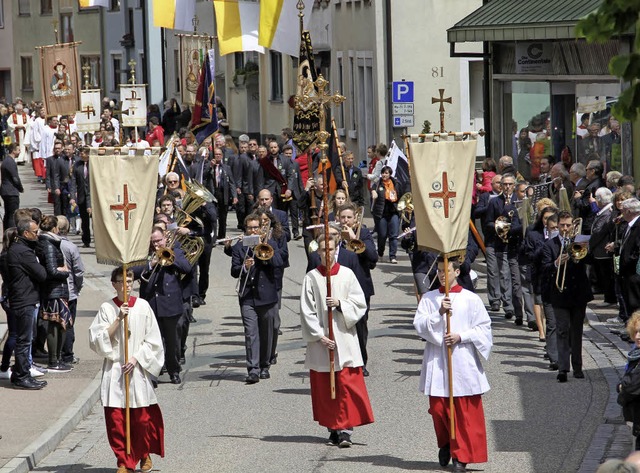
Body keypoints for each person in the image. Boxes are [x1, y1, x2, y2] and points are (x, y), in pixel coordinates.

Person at [413, 256, 492, 472]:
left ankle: (461, 456)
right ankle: (447, 442)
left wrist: (461, 336)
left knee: (463, 412)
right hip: (438, 360)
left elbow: (484, 328)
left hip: (462, 360)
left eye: (445, 270)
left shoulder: (470, 299)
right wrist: (438, 314)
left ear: (457, 272)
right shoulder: (429, 298)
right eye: (438, 270)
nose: (441, 274)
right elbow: (419, 325)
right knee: (439, 409)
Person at [89, 267, 165, 473]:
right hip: (115, 369)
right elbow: (97, 339)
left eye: (130, 281)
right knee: (116, 420)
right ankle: (123, 460)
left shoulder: (143, 306)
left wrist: (137, 357)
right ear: (114, 284)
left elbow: (154, 341)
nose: (126, 285)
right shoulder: (106, 308)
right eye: (121, 282)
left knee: (141, 418)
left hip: (136, 368)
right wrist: (118, 319)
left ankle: (143, 454)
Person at [299, 237, 373, 447]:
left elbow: (359, 303)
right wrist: (320, 336)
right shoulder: (311, 277)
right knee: (326, 387)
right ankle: (333, 427)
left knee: (345, 384)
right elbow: (306, 310)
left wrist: (340, 303)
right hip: (322, 341)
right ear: (319, 252)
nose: (328, 253)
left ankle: (345, 429)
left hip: (344, 336)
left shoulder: (347, 274)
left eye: (331, 249)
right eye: (324, 250)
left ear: (336, 249)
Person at [230, 214, 284, 384]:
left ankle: (264, 365)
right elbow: (234, 271)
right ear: (245, 230)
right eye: (249, 228)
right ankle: (253, 369)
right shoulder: (240, 247)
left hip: (267, 296)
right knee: (251, 333)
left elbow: (279, 263)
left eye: (256, 227)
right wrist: (244, 267)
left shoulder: (270, 243)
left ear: (261, 228)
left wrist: (266, 248)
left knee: (267, 332)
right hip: (247, 297)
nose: (253, 230)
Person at [133, 228, 191, 385]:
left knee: (173, 341)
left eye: (159, 240)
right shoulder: (144, 254)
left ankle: (174, 371)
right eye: (153, 241)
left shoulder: (175, 251)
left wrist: (171, 258)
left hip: (171, 303)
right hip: (151, 303)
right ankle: (153, 373)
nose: (157, 244)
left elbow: (187, 268)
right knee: (152, 342)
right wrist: (151, 264)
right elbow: (133, 272)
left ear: (165, 238)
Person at [541, 210, 593, 382]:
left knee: (576, 331)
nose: (565, 229)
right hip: (560, 294)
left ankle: (577, 366)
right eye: (562, 225)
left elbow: (590, 261)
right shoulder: (550, 245)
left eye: (568, 225)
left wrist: (585, 249)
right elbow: (545, 267)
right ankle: (563, 368)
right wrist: (556, 263)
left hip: (578, 293)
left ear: (573, 226)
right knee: (562, 330)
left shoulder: (579, 241)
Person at [8, 219, 48, 389]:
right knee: (24, 340)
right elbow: (42, 274)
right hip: (24, 299)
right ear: (26, 234)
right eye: (35, 232)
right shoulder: (23, 252)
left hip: (22, 298)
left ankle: (20, 373)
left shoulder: (18, 248)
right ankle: (22, 375)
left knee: (24, 339)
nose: (37, 235)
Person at [36, 215, 72, 372]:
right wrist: (64, 272)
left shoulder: (49, 242)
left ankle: (56, 358)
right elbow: (51, 270)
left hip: (56, 289)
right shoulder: (48, 244)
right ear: (54, 228)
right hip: (54, 289)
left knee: (60, 324)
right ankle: (53, 360)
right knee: (55, 324)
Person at [57, 216, 84, 365]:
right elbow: (78, 271)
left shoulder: (45, 243)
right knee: (68, 323)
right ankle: (67, 355)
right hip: (69, 290)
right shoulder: (70, 247)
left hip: (54, 290)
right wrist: (78, 287)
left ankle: (56, 354)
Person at [371, 165, 404, 263]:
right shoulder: (377, 184)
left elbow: (401, 196)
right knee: (382, 235)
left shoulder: (396, 183)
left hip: (393, 212)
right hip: (381, 213)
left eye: (386, 173)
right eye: (383, 173)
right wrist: (373, 193)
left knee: (393, 235)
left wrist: (401, 208)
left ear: (390, 174)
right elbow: (372, 189)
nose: (384, 175)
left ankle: (392, 256)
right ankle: (380, 252)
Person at [1, 143, 25, 230]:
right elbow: (15, 178)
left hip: (5, 191)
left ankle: (6, 232)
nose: (19, 152)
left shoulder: (6, 161)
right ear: (14, 151)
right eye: (18, 150)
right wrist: (20, 188)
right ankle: (11, 233)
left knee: (7, 214)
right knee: (12, 214)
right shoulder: (10, 162)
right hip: (11, 192)